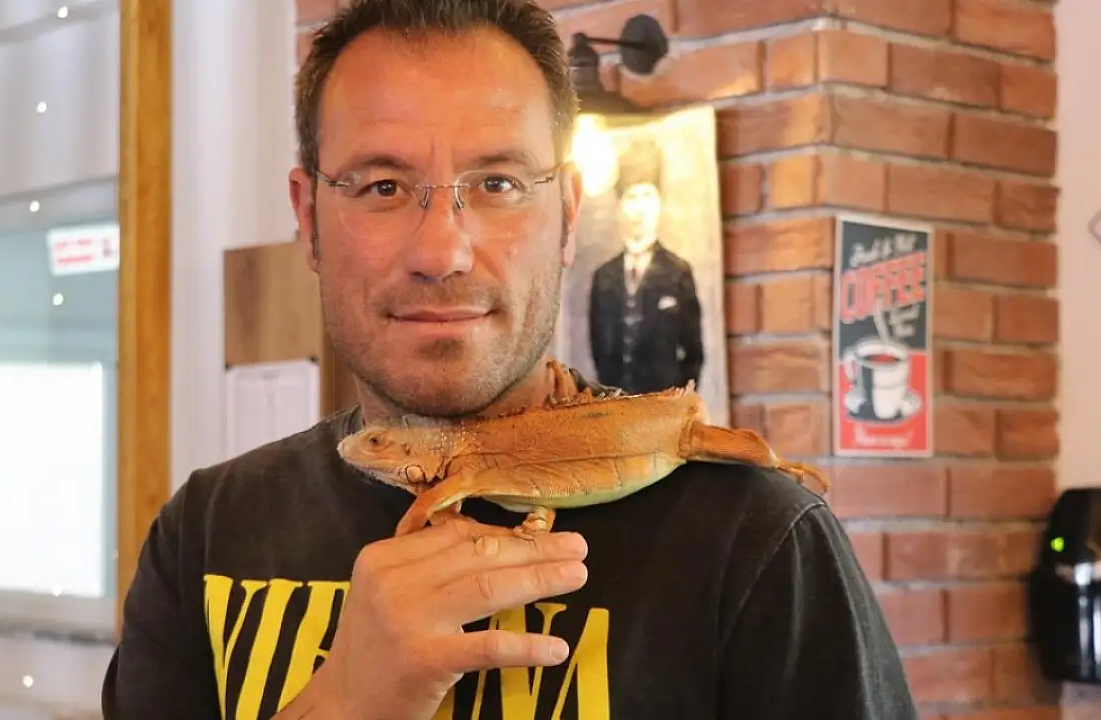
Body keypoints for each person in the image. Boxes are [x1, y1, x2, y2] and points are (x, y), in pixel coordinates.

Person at [101, 1, 919, 718]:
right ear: (308, 218)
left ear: (567, 216)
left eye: (497, 183)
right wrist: (346, 702)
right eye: (383, 186)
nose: (442, 251)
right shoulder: (206, 532)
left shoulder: (762, 543)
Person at [588, 137, 704, 394]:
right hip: (616, 405)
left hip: (663, 403)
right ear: (619, 205)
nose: (640, 208)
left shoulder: (678, 272)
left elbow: (694, 353)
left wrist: (678, 401)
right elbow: (599, 351)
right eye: (632, 197)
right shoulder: (604, 276)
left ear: (659, 202)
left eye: (647, 195)